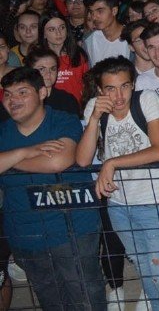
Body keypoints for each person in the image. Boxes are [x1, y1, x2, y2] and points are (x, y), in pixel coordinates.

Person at [76, 56, 159, 311]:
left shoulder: (146, 100)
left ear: (133, 85)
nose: (119, 95)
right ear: (101, 90)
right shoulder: (94, 107)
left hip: (151, 200)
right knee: (144, 266)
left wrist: (112, 163)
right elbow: (82, 159)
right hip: (118, 203)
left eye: (124, 86)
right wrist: (93, 120)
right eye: (110, 88)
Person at [0, 67, 104, 310]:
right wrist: (23, 153)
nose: (13, 100)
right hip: (24, 233)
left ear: (43, 92)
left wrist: (7, 162)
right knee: (50, 301)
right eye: (8, 94)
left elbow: (59, 160)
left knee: (86, 297)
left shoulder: (62, 120)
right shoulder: (3, 131)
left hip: (72, 229)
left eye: (22, 92)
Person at [40, 12, 89, 106]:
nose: (58, 33)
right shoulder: (38, 58)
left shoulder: (78, 55)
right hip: (48, 109)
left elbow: (86, 85)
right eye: (52, 29)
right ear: (44, 34)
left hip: (76, 108)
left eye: (62, 27)